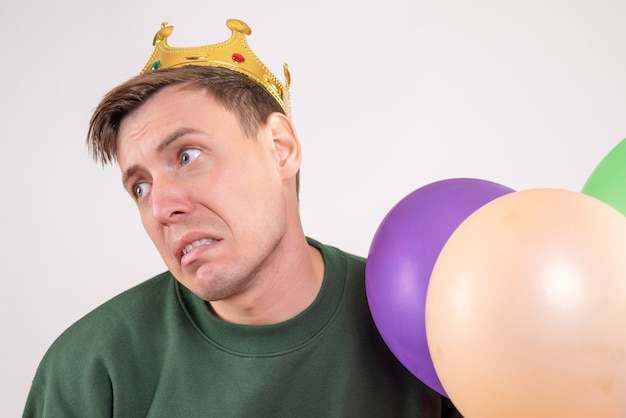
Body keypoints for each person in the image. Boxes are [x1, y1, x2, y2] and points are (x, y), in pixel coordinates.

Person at [24, 19, 462, 417]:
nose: (161, 207)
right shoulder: (89, 372)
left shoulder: (424, 329)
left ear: (280, 148)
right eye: (140, 186)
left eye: (187, 155)